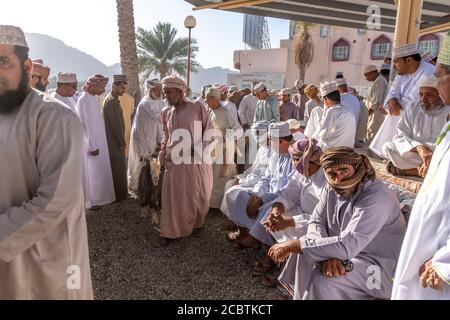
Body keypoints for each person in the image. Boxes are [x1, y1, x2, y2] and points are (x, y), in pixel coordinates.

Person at [0, 25, 93, 299]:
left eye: (3, 62)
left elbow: (56, 200)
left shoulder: (53, 116)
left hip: (45, 256)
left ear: (27, 66)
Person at [269, 147, 406, 300]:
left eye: (344, 171)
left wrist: (296, 245)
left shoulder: (377, 197)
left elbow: (349, 244)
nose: (338, 179)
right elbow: (316, 221)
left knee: (323, 278)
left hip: (378, 273)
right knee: (306, 248)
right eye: (332, 173)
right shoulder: (332, 188)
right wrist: (327, 254)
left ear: (357, 168)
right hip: (347, 254)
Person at [392, 64, 450, 299]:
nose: (437, 83)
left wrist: (445, 261)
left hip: (438, 259)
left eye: (439, 77)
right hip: (430, 244)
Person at [260, 139, 326, 294]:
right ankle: (280, 260)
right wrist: (277, 211)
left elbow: (325, 219)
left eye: (297, 159)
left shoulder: (327, 180)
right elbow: (289, 195)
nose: (294, 164)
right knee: (270, 215)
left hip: (320, 226)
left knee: (305, 237)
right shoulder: (303, 171)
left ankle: (291, 285)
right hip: (303, 216)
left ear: (309, 159)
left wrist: (289, 222)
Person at [159, 75, 213, 244]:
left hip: (193, 161)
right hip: (173, 162)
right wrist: (162, 151)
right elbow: (165, 136)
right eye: (164, 92)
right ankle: (171, 231)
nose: (166, 96)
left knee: (194, 195)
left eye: (168, 92)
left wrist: (198, 150)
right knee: (171, 198)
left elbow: (209, 131)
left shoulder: (197, 107)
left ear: (179, 91)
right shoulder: (165, 112)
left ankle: (195, 224)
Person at [227, 122, 294, 250]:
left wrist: (262, 199)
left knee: (267, 210)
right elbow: (266, 178)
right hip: (266, 193)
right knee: (240, 195)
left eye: (271, 140)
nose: (269, 143)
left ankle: (264, 245)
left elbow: (288, 191)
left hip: (282, 200)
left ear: (280, 141)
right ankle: (246, 233)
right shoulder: (275, 153)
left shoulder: (295, 157)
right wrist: (255, 195)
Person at [370, 44, 435, 158]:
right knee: (394, 116)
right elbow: (393, 89)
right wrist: (392, 100)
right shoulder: (403, 72)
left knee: (396, 116)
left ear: (409, 60)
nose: (394, 66)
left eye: (396, 62)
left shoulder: (428, 72)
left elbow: (414, 100)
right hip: (403, 112)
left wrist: (396, 104)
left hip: (422, 118)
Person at [383, 74, 450, 177]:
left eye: (429, 95)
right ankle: (431, 171)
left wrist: (433, 154)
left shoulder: (447, 109)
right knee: (388, 148)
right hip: (419, 155)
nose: (423, 99)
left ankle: (411, 171)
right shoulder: (413, 108)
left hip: (441, 156)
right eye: (421, 94)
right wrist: (419, 148)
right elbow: (400, 135)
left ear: (440, 94)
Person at [76, 75, 116, 209]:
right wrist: (91, 145)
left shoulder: (93, 98)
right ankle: (92, 201)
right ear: (92, 86)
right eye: (101, 87)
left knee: (100, 171)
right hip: (91, 144)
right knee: (92, 173)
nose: (103, 90)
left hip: (100, 140)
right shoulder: (82, 101)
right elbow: (84, 125)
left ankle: (102, 198)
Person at [220, 121, 271, 217]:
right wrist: (241, 176)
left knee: (233, 190)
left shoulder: (271, 151)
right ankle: (231, 217)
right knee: (230, 182)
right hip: (253, 179)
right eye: (255, 133)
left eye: (259, 133)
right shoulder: (262, 149)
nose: (257, 136)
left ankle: (237, 219)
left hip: (260, 184)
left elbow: (259, 175)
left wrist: (241, 181)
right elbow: (253, 168)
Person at [206, 87, 243, 209]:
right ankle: (211, 204)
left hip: (224, 149)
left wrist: (227, 140)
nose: (206, 102)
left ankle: (219, 206)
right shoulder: (210, 111)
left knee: (221, 176)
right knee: (212, 176)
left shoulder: (226, 112)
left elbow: (238, 129)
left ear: (213, 99)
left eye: (207, 99)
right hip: (212, 149)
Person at [128, 78, 166, 192]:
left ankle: (152, 185)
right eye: (156, 90)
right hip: (142, 138)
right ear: (149, 90)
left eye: (160, 89)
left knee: (153, 163)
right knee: (142, 163)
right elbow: (160, 119)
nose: (159, 92)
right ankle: (138, 186)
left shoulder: (160, 102)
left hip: (153, 137)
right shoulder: (145, 103)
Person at [103, 75, 129, 202]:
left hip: (114, 140)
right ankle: (119, 196)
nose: (124, 90)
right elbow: (116, 125)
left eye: (125, 87)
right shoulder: (112, 101)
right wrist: (122, 142)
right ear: (114, 86)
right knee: (118, 168)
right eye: (122, 87)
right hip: (114, 141)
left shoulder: (113, 99)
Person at [309, 81, 356, 149]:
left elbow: (322, 134)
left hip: (333, 148)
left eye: (323, 100)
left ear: (327, 99)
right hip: (349, 148)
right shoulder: (348, 111)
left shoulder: (332, 110)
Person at [364, 65, 389, 143]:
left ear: (372, 72)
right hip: (373, 114)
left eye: (366, 76)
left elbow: (375, 103)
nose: (366, 78)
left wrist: (365, 115)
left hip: (376, 115)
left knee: (372, 136)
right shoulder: (377, 81)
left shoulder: (379, 82)